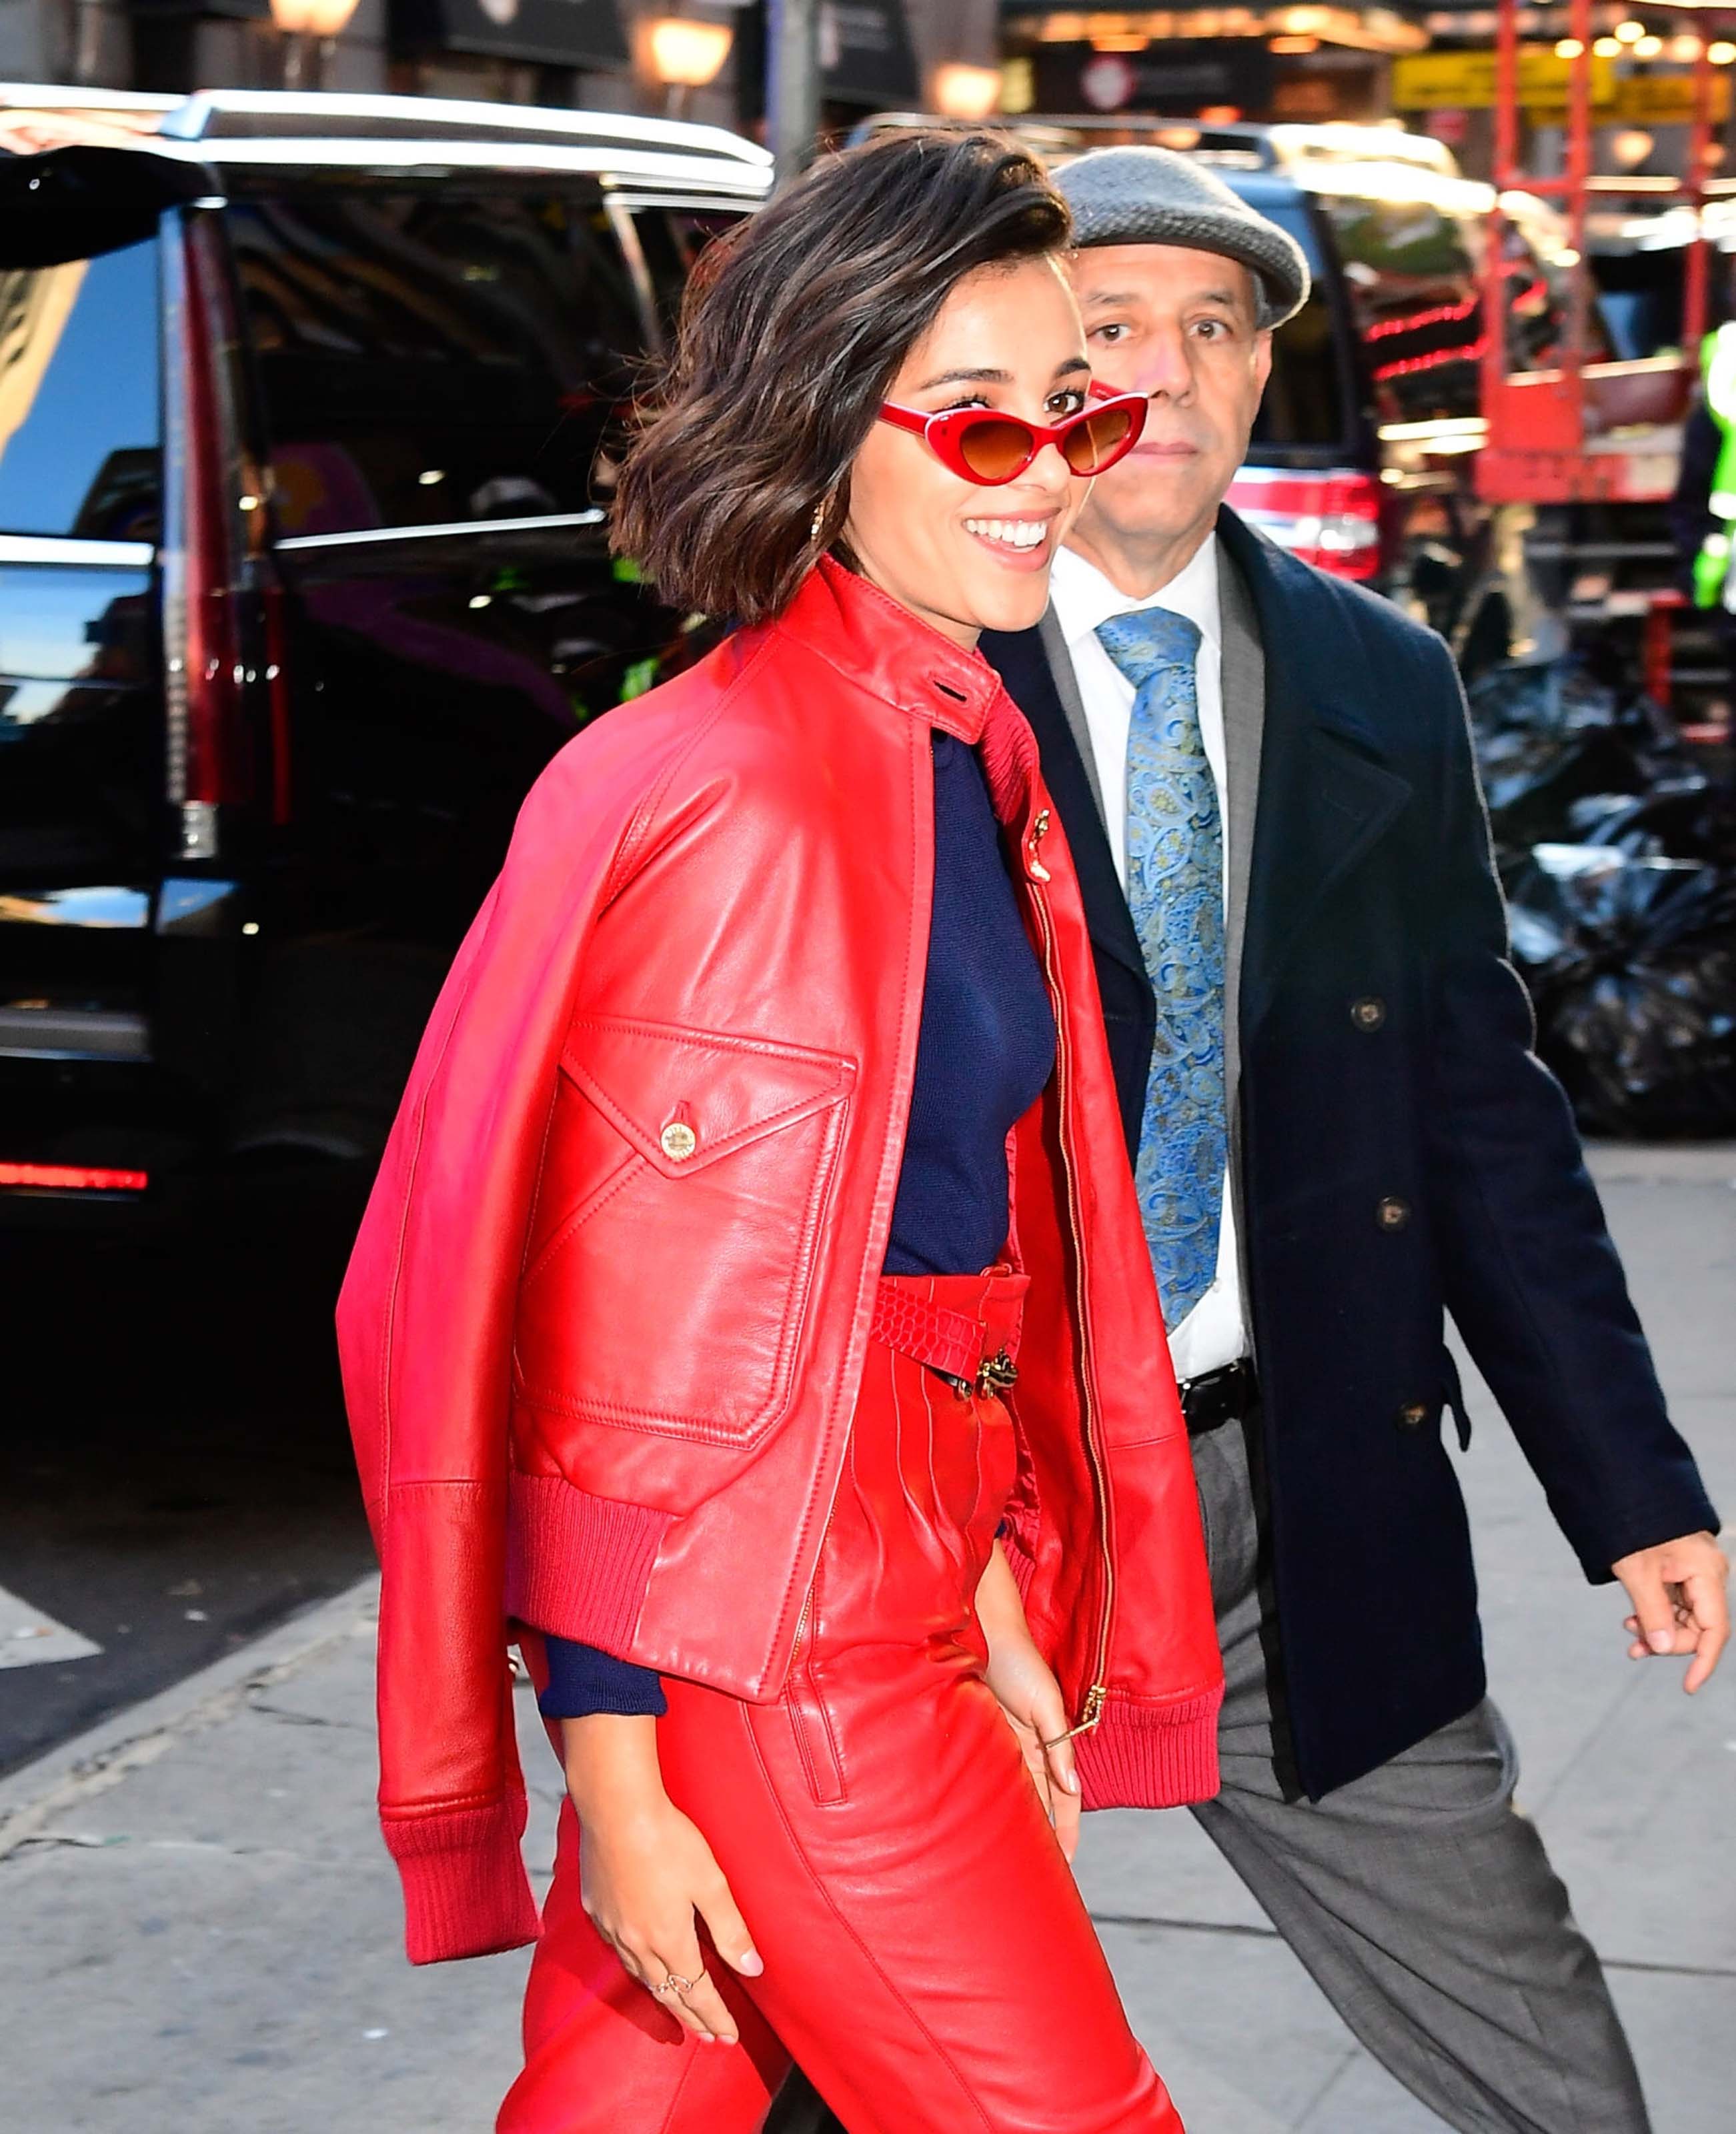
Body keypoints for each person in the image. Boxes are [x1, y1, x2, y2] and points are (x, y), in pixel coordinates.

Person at [334, 131, 1224, 2134]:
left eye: (1069, 412)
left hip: (862, 1584)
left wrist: (986, 1592)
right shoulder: (736, 785)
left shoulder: (939, 741)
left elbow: (904, 1244)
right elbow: (614, 1342)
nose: (1058, 477)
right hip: (763, 1648)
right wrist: (618, 1762)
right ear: (830, 438)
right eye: (981, 431)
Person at [968, 146, 1725, 2134]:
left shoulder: (1375, 677)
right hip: (961, 1516)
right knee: (819, 2039)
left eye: (1214, 330)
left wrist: (1629, 1484)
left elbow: (1478, 1107)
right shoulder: (897, 674)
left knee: (1547, 2061)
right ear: (1026, 372)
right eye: (1111, 327)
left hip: (1284, 1495)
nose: (1173, 369)